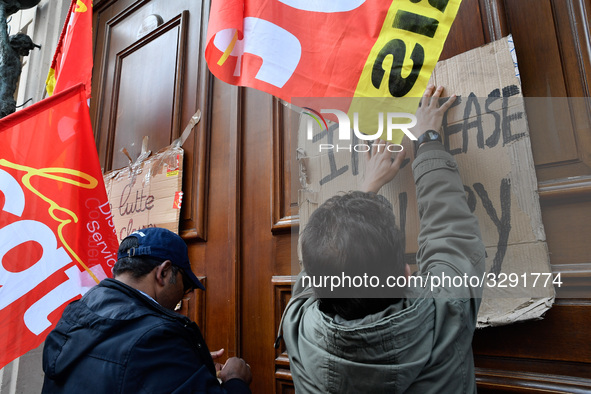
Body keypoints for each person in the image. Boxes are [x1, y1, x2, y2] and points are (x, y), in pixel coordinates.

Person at [279, 85, 486, 393]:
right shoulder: (444, 312)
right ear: (406, 274)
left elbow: (324, 262)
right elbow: (450, 234)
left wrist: (366, 190)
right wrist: (427, 140)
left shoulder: (297, 326)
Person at [42, 227, 252, 393]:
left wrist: (188, 365)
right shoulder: (157, 339)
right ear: (164, 273)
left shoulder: (75, 314)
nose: (185, 294)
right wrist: (236, 380)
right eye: (185, 285)